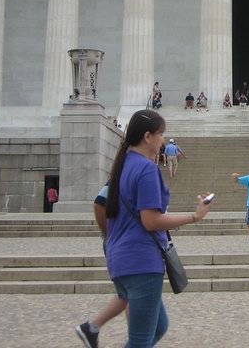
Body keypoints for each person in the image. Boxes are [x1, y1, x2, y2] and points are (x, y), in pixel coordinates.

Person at [99, 109, 212, 347]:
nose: (163, 140)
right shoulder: (146, 169)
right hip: (141, 260)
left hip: (119, 258)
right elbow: (151, 221)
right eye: (161, 134)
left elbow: (101, 206)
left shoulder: (121, 167)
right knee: (140, 342)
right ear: (148, 137)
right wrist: (195, 215)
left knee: (159, 327)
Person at [76, 182, 128, 348]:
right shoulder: (125, 172)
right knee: (132, 293)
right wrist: (109, 234)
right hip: (123, 245)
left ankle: (92, 328)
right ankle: (138, 337)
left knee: (126, 294)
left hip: (127, 245)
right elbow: (100, 202)